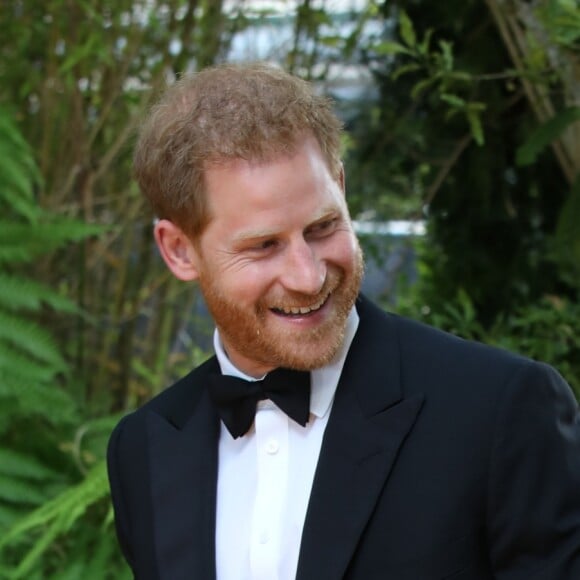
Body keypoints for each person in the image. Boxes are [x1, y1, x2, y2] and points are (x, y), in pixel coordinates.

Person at [107, 62, 580, 580]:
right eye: (264, 246)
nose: (308, 277)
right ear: (179, 250)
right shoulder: (143, 448)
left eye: (323, 226)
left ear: (340, 185)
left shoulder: (501, 412)